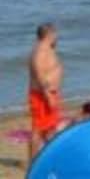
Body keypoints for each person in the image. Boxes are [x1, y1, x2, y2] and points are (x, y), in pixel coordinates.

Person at [25, 23, 61, 168]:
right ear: (49, 34)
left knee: (50, 129)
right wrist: (48, 95)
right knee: (38, 129)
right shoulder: (39, 52)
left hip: (48, 94)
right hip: (42, 96)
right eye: (55, 34)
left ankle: (49, 157)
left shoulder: (47, 49)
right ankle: (33, 162)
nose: (57, 36)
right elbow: (39, 75)